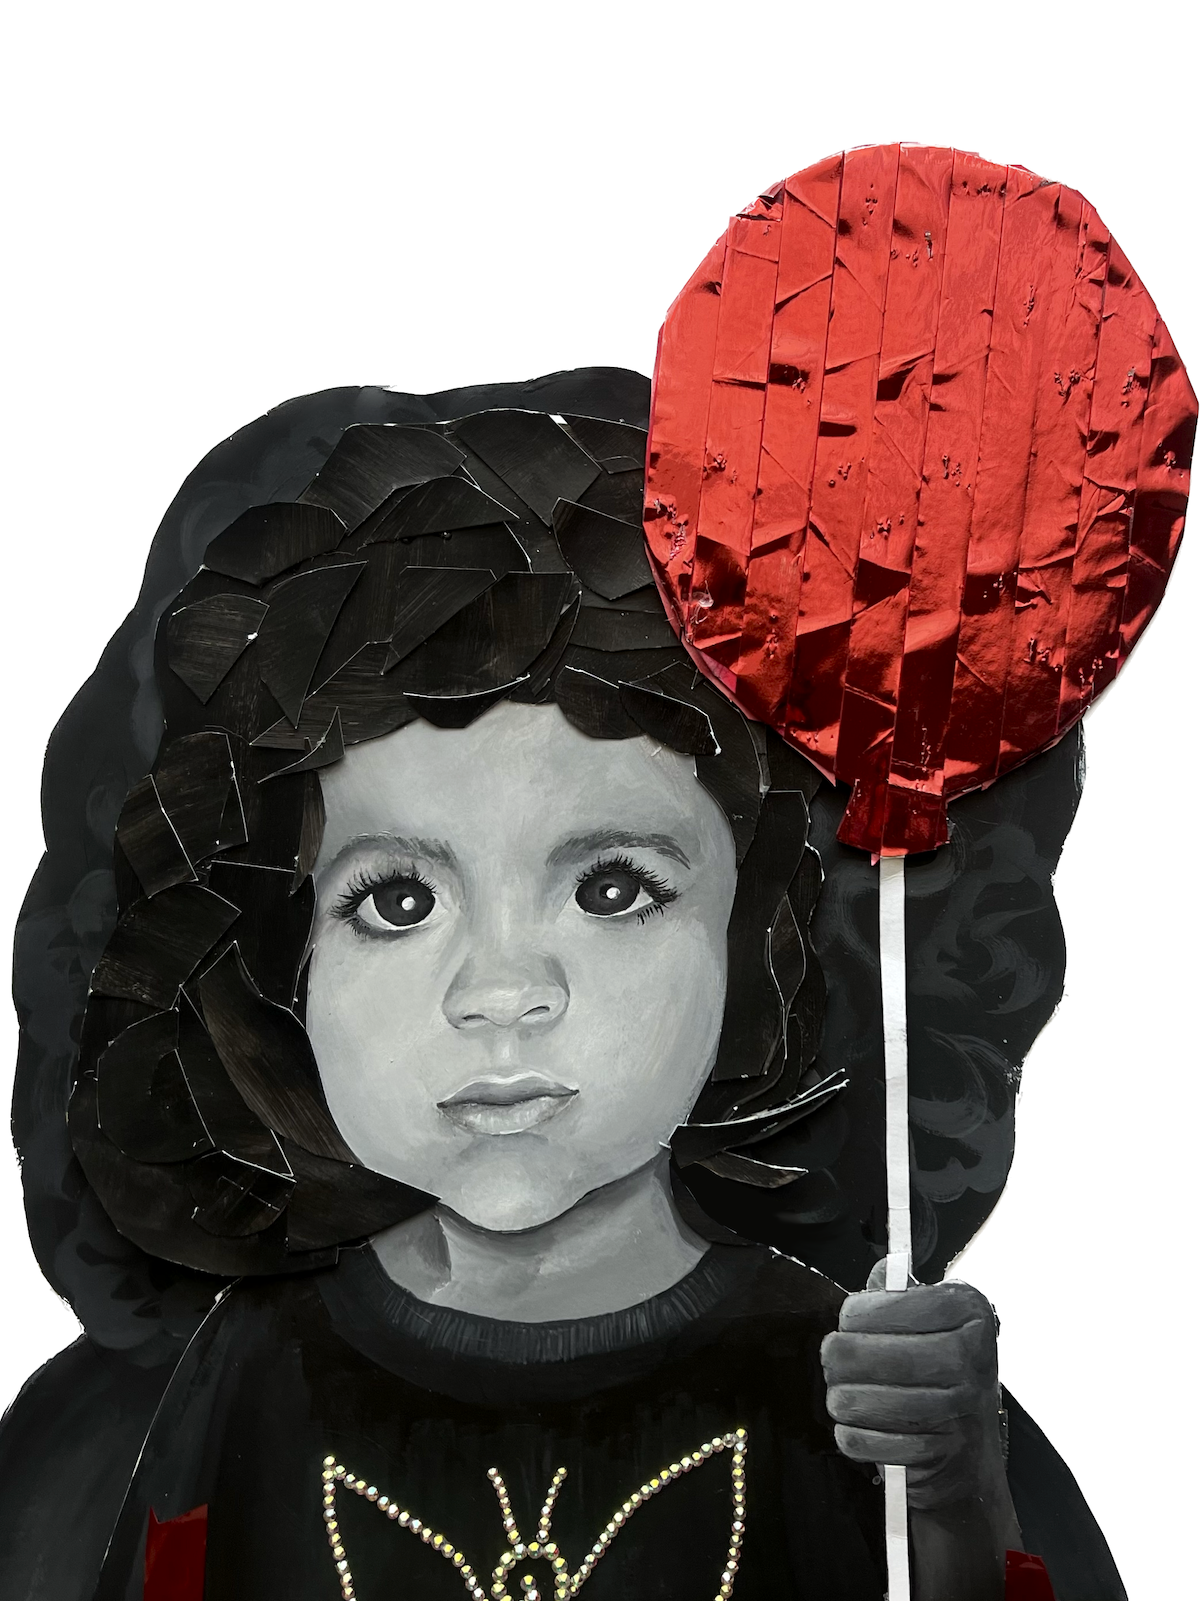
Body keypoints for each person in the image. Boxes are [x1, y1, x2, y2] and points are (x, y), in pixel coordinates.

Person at [0, 371, 1124, 1601]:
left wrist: (957, 1495)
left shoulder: (852, 1379)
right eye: (399, 901)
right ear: (282, 965)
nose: (502, 990)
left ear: (761, 940)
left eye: (610, 889)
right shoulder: (244, 1375)